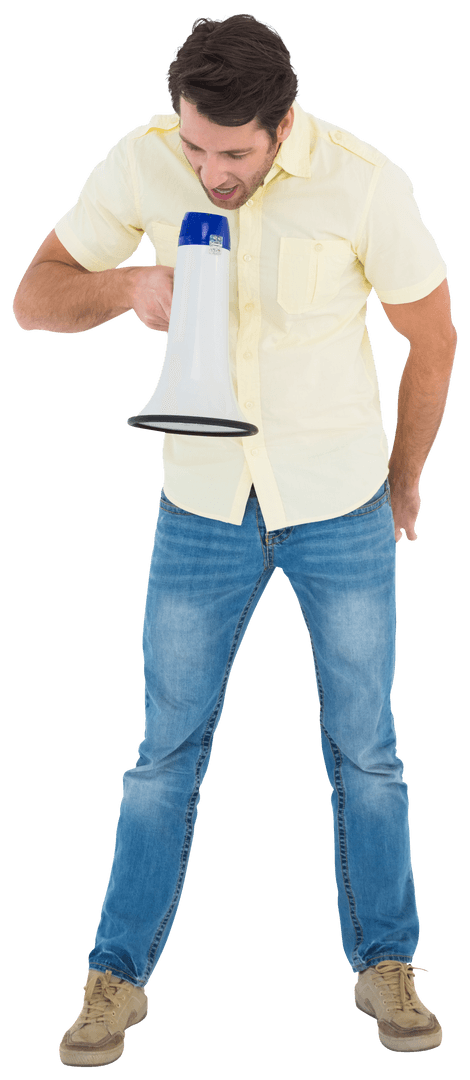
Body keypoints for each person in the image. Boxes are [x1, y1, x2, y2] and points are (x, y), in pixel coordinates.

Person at [13, 12, 457, 1067]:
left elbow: (433, 335)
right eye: (196, 147)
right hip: (201, 512)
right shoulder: (143, 162)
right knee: (162, 755)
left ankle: (387, 964)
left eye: (234, 154)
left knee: (367, 751)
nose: (210, 171)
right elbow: (33, 298)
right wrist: (129, 284)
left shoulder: (362, 183)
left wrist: (403, 478)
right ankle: (115, 979)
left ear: (281, 125)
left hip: (339, 507)